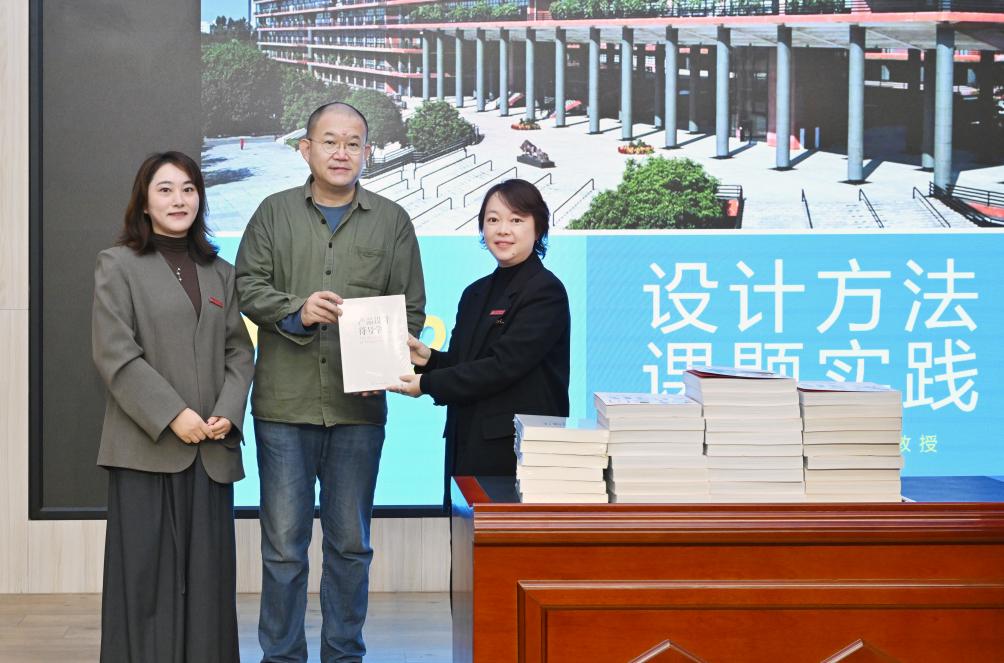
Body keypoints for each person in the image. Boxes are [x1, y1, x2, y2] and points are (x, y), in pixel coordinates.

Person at [235, 102, 425, 663]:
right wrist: (298, 310)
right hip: (284, 409)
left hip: (358, 412)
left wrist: (384, 365)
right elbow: (247, 286)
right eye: (330, 141)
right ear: (306, 149)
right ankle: (282, 656)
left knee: (350, 546)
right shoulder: (272, 213)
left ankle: (344, 654)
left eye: (353, 143)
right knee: (284, 550)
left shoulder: (392, 221)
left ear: (368, 151)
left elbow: (410, 308)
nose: (342, 153)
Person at [92, 151, 254, 663]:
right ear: (144, 201)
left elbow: (238, 351)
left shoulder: (220, 272)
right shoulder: (117, 265)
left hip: (211, 450)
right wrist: (172, 415)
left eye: (188, 189)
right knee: (145, 586)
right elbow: (115, 353)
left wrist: (228, 410)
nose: (178, 199)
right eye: (165, 189)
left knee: (208, 585)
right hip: (146, 449)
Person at [390, 179, 570, 494]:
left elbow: (502, 366)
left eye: (516, 220)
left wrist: (427, 384)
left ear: (538, 228)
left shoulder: (545, 292)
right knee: (463, 526)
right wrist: (428, 359)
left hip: (516, 453)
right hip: (465, 443)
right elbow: (466, 363)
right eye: (493, 219)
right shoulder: (475, 293)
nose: (503, 230)